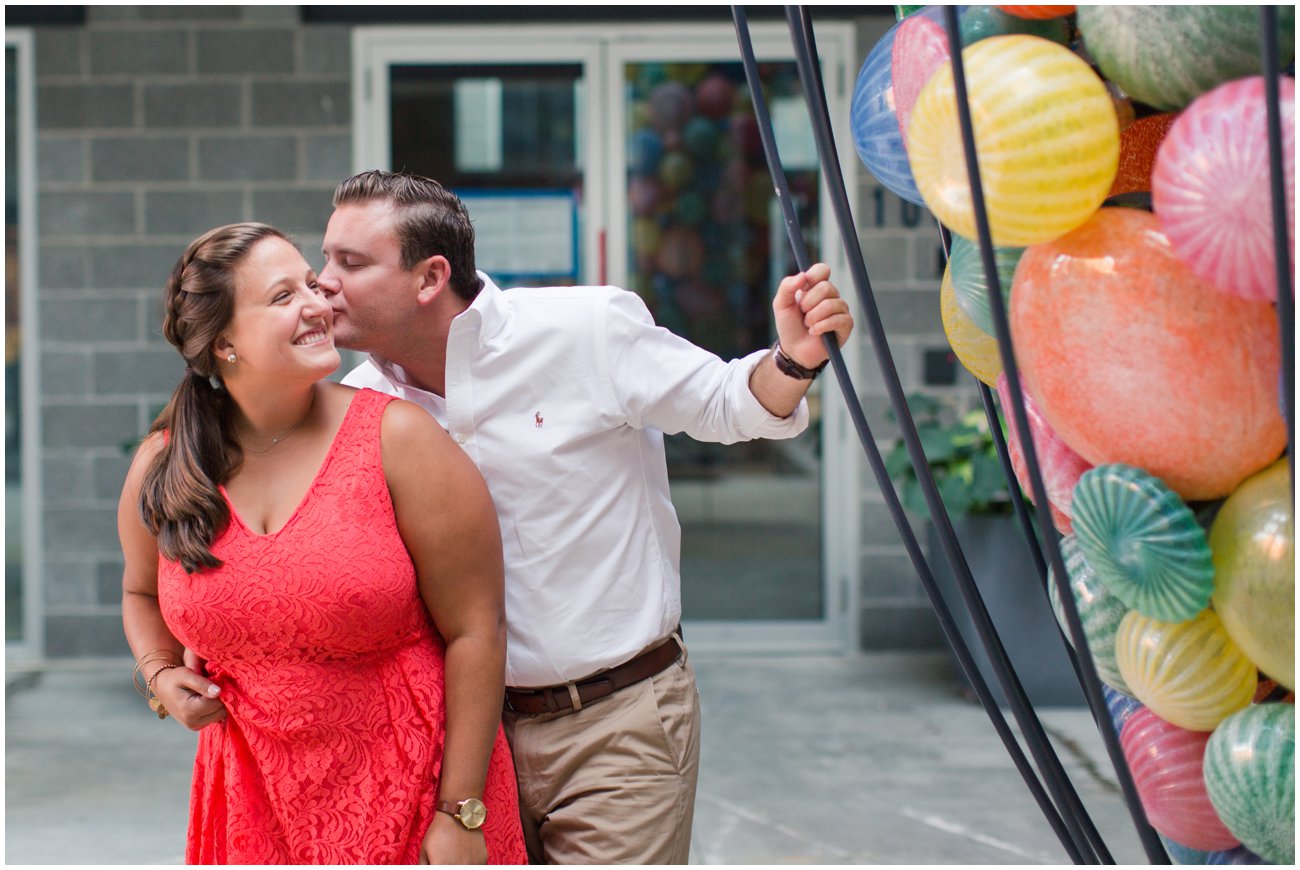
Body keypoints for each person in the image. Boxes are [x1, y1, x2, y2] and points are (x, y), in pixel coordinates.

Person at [318, 170, 854, 864]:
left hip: (618, 721)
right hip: (463, 742)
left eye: (349, 262)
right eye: (326, 257)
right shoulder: (356, 405)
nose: (321, 279)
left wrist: (793, 358)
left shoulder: (585, 329)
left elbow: (727, 403)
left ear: (430, 278)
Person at [118, 222, 528, 865]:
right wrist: (161, 675)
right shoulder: (167, 463)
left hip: (412, 796)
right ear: (224, 342)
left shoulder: (399, 439)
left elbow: (479, 629)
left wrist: (460, 812)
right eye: (283, 297)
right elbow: (141, 590)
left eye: (311, 283)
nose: (318, 303)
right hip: (249, 808)